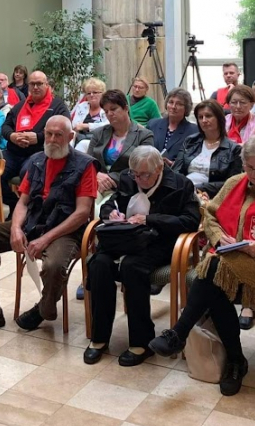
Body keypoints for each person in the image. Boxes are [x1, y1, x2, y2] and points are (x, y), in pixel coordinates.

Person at [150, 135, 255, 396]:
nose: (254, 174)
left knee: (213, 269)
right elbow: (210, 215)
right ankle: (235, 360)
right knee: (216, 281)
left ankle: (179, 333)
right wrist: (218, 237)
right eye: (250, 167)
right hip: (226, 257)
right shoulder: (235, 182)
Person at [0, 116, 95, 335]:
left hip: (66, 230)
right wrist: (16, 228)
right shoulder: (36, 161)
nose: (52, 140)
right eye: (49, 134)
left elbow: (82, 213)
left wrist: (45, 239)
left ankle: (44, 309)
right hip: (34, 223)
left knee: (54, 265)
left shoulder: (85, 165)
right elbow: (23, 202)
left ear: (71, 137)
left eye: (58, 135)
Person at [85, 146, 200, 366]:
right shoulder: (129, 178)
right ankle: (99, 337)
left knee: (132, 267)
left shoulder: (180, 185)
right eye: (135, 174)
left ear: (159, 168)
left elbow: (190, 222)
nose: (139, 179)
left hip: (160, 243)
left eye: (145, 175)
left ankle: (141, 342)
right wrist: (110, 213)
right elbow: (111, 201)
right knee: (99, 263)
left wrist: (150, 219)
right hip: (125, 239)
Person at [0, 70, 71, 210]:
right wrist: (12, 136)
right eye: (32, 84)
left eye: (39, 84)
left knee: (28, 173)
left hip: (39, 153)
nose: (35, 87)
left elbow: (63, 130)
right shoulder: (20, 105)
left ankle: (30, 209)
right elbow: (6, 126)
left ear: (47, 85)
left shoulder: (58, 106)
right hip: (14, 152)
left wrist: (38, 138)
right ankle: (15, 205)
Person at [86, 90, 154, 195]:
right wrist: (96, 175)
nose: (109, 114)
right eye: (106, 111)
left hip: (126, 188)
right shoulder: (99, 133)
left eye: (113, 109)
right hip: (97, 183)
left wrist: (110, 178)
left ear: (126, 108)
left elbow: (143, 169)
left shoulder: (144, 135)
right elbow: (88, 162)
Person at [172, 100, 243, 199]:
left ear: (219, 118)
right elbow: (176, 171)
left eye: (208, 116)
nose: (204, 120)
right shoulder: (190, 141)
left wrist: (198, 188)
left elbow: (232, 183)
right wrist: (184, 186)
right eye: (200, 117)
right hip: (183, 191)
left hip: (211, 196)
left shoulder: (234, 149)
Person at [147, 88, 199, 163]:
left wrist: (174, 164)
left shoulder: (194, 131)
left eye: (179, 104)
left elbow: (193, 159)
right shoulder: (153, 125)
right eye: (171, 102)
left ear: (186, 108)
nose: (173, 107)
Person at [71, 77, 109, 144]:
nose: (91, 95)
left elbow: (108, 125)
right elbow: (75, 125)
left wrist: (87, 126)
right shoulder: (82, 106)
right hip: (80, 139)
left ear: (102, 94)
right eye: (88, 93)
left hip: (101, 140)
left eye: (95, 92)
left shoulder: (107, 107)